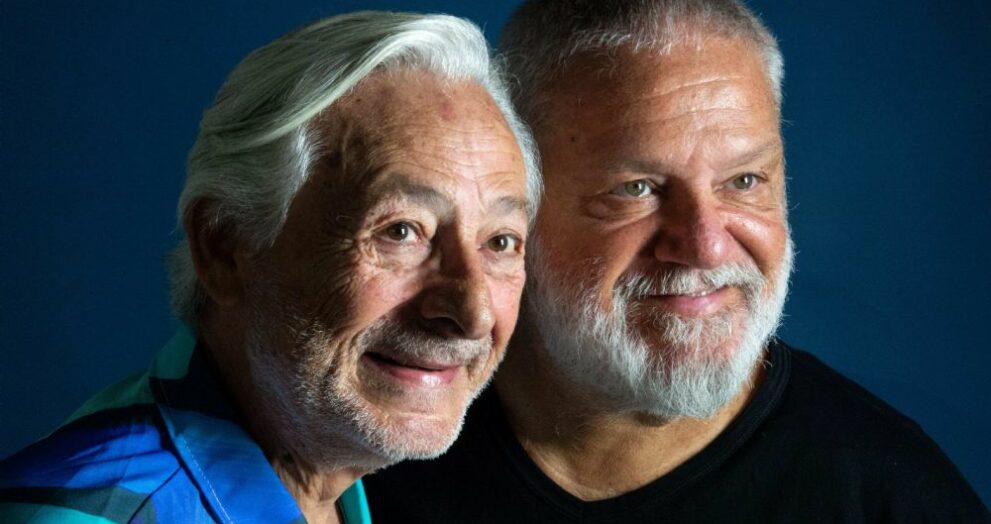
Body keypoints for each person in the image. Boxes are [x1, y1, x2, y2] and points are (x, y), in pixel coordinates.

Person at [364, 1, 990, 522]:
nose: (705, 245)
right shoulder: (369, 438)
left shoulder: (890, 498)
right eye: (636, 189)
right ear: (513, 202)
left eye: (744, 181)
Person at [0, 11, 539, 524]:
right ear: (225, 246)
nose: (472, 312)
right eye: (400, 231)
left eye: (500, 242)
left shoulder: (332, 470)